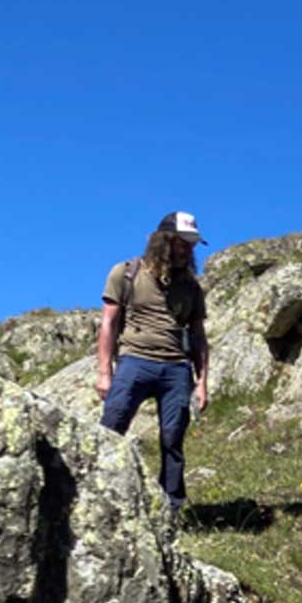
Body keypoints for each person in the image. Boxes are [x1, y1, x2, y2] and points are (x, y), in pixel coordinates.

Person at [96, 211, 210, 538]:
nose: (188, 250)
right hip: (134, 361)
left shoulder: (191, 287)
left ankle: (171, 512)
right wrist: (105, 372)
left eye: (191, 245)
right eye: (182, 243)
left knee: (172, 440)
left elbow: (200, 338)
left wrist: (202, 383)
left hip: (176, 369)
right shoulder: (126, 273)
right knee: (111, 430)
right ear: (163, 241)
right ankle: (99, 495)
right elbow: (107, 324)